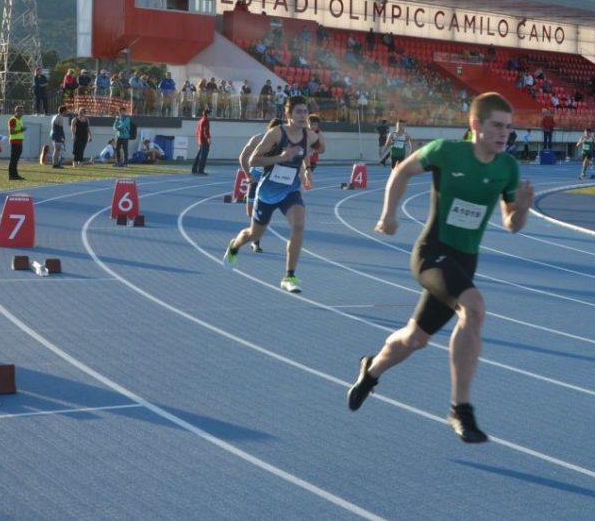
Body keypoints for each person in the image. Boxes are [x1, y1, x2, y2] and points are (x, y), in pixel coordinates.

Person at [345, 92, 533, 444]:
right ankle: (460, 409)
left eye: (509, 127)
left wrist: (521, 208)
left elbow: (512, 225)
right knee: (473, 307)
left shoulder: (507, 167)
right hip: (432, 254)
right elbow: (402, 170)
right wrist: (388, 214)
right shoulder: (447, 152)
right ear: (475, 125)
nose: (504, 134)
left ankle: (370, 370)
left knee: (416, 338)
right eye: (496, 126)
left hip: (464, 262)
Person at [223, 96, 317, 293]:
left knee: (299, 225)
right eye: (298, 111)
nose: (302, 115)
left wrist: (307, 170)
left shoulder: (309, 135)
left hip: (290, 191)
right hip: (267, 193)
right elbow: (253, 160)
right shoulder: (276, 134)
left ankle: (289, 276)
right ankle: (235, 245)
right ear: (288, 114)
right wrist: (280, 158)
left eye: (305, 112)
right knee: (255, 234)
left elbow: (305, 151)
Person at [238, 118, 282, 253]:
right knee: (250, 213)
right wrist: (247, 175)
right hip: (256, 175)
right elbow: (242, 157)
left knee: (262, 213)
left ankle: (256, 242)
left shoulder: (284, 142)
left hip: (269, 179)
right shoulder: (257, 139)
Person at [8, 106, 26, 180]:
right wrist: (21, 130)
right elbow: (11, 132)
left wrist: (21, 130)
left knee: (16, 159)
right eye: (20, 111)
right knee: (13, 159)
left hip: (19, 141)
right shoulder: (13, 120)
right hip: (14, 142)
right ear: (16, 111)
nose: (22, 113)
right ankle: (12, 175)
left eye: (22, 111)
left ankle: (15, 175)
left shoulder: (20, 120)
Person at [192, 109, 211, 174]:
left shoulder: (200, 120)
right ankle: (201, 170)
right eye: (210, 114)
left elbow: (197, 131)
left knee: (198, 155)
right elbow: (206, 130)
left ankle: (194, 169)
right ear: (207, 114)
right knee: (203, 156)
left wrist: (198, 140)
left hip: (200, 140)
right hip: (204, 141)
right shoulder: (206, 120)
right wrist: (208, 138)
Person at [49, 104, 68, 168]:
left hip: (53, 134)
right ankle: (55, 164)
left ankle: (56, 163)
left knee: (56, 150)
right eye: (66, 111)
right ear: (64, 111)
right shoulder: (60, 117)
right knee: (57, 150)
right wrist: (63, 136)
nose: (67, 112)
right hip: (57, 134)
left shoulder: (55, 116)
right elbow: (61, 128)